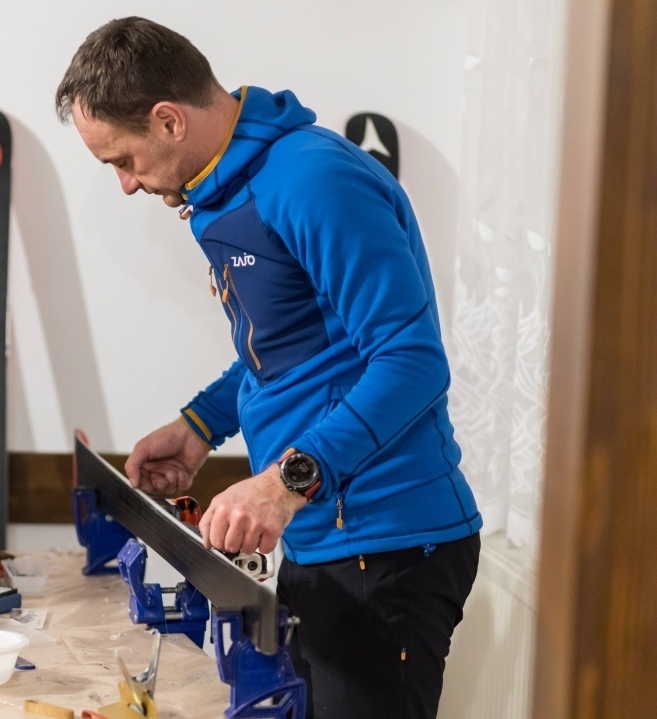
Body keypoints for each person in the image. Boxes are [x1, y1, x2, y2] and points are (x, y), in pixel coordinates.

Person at [56, 17, 482, 719]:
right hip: (323, 537)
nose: (126, 184)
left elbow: (412, 361)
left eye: (122, 160)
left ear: (168, 120)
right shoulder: (227, 195)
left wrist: (286, 483)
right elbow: (287, 353)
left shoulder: (312, 179)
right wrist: (200, 426)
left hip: (389, 545)